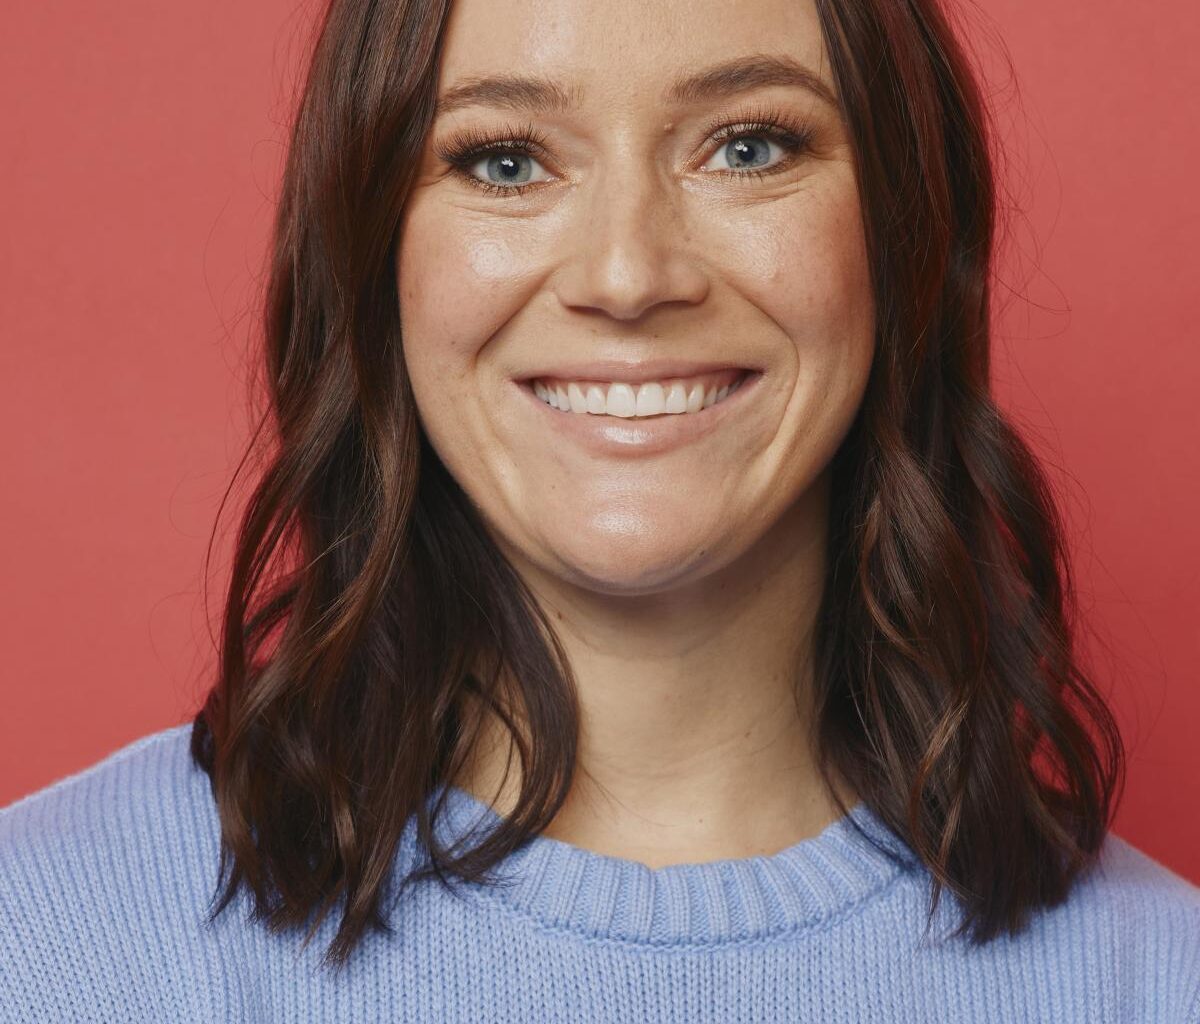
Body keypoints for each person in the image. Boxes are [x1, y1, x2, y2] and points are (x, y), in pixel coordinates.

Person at [2, 0, 1197, 1018]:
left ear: (904, 233)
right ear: (373, 252)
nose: (627, 275)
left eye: (748, 146)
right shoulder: (44, 945)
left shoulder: (1159, 979)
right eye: (505, 160)